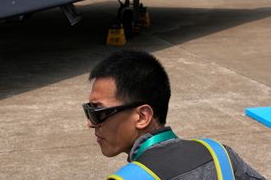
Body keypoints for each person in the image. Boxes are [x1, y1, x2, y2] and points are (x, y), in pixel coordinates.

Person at [83, 50, 265, 180]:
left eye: (98, 112)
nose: (90, 123)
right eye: (88, 110)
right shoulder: (219, 153)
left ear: (142, 116)